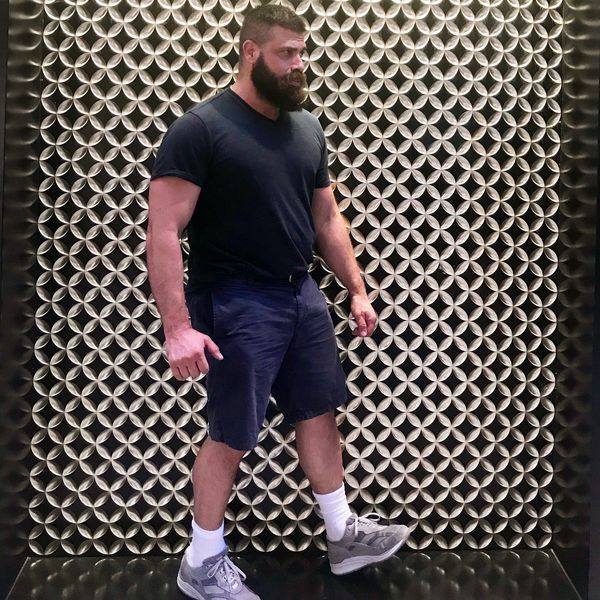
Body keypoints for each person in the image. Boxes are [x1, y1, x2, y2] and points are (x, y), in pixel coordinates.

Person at [146, 4, 415, 599]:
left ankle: (343, 536)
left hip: (300, 294)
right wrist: (177, 328)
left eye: (302, 52)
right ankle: (201, 562)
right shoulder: (201, 128)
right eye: (286, 53)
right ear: (250, 52)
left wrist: (356, 288)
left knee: (319, 412)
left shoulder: (307, 129)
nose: (299, 64)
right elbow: (163, 229)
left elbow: (327, 217)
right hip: (235, 298)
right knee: (233, 432)